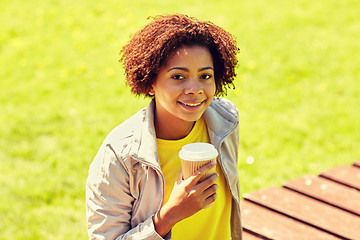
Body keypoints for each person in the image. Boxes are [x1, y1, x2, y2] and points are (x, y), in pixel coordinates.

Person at [86, 14, 242, 240]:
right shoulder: (119, 156)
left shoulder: (224, 121)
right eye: (178, 76)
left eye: (205, 76)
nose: (195, 89)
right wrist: (169, 215)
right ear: (150, 82)